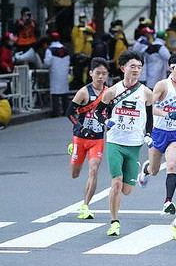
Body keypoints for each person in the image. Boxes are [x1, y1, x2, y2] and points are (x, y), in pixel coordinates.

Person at [94, 50, 154, 236]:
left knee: (127, 190)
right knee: (117, 183)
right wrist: (106, 122)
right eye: (132, 66)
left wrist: (149, 134)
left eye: (139, 67)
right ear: (123, 68)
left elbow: (150, 117)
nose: (136, 70)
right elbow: (98, 112)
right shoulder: (112, 91)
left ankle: (137, 173)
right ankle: (114, 221)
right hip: (115, 142)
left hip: (134, 144)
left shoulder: (146, 93)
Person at [137, 54, 176, 216]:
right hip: (158, 131)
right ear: (171, 68)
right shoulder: (163, 86)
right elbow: (149, 107)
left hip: (175, 132)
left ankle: (168, 201)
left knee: (172, 165)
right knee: (154, 170)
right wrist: (166, 114)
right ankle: (145, 170)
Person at [65, 57, 110, 220]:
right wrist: (80, 127)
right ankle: (73, 150)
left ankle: (85, 205)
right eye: (98, 73)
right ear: (91, 73)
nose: (101, 77)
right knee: (74, 174)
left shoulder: (108, 93)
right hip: (80, 138)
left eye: (104, 74)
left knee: (93, 169)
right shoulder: (84, 92)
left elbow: (111, 112)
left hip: (97, 139)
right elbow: (69, 112)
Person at [44, 33, 70, 117]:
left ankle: (56, 112)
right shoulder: (65, 49)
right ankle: (66, 110)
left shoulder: (50, 50)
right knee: (64, 92)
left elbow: (47, 62)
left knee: (55, 92)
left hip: (54, 73)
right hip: (64, 73)